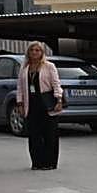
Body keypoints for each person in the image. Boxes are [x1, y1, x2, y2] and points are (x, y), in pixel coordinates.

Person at [16, 42, 63, 170]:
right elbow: (20, 86)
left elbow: (56, 84)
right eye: (32, 50)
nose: (34, 52)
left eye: (37, 50)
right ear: (28, 52)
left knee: (49, 134)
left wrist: (59, 99)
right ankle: (37, 162)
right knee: (34, 135)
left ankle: (50, 162)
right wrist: (20, 103)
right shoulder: (24, 68)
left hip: (47, 103)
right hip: (31, 104)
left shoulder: (49, 66)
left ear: (42, 53)